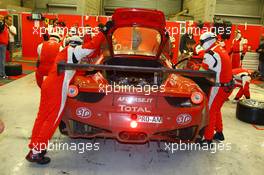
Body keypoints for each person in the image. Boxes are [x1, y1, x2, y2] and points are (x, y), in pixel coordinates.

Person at [25, 22, 113, 165]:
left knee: (41, 118)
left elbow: (81, 68)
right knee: (51, 121)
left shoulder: (65, 55)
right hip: (56, 88)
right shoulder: (72, 51)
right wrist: (103, 32)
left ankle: (34, 148)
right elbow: (90, 47)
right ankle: (36, 152)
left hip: (49, 84)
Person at [199, 32, 233, 145]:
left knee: (210, 111)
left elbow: (201, 72)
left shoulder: (210, 53)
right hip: (227, 86)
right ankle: (219, 132)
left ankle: (207, 139)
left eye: (201, 42)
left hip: (219, 87)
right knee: (216, 109)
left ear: (207, 41)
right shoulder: (220, 49)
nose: (201, 44)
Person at [0, 15, 9, 79]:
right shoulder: (2, 25)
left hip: (4, 44)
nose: (2, 19)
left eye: (2, 18)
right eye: (1, 18)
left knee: (1, 60)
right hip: (2, 44)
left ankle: (1, 73)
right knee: (2, 60)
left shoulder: (4, 25)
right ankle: (2, 74)